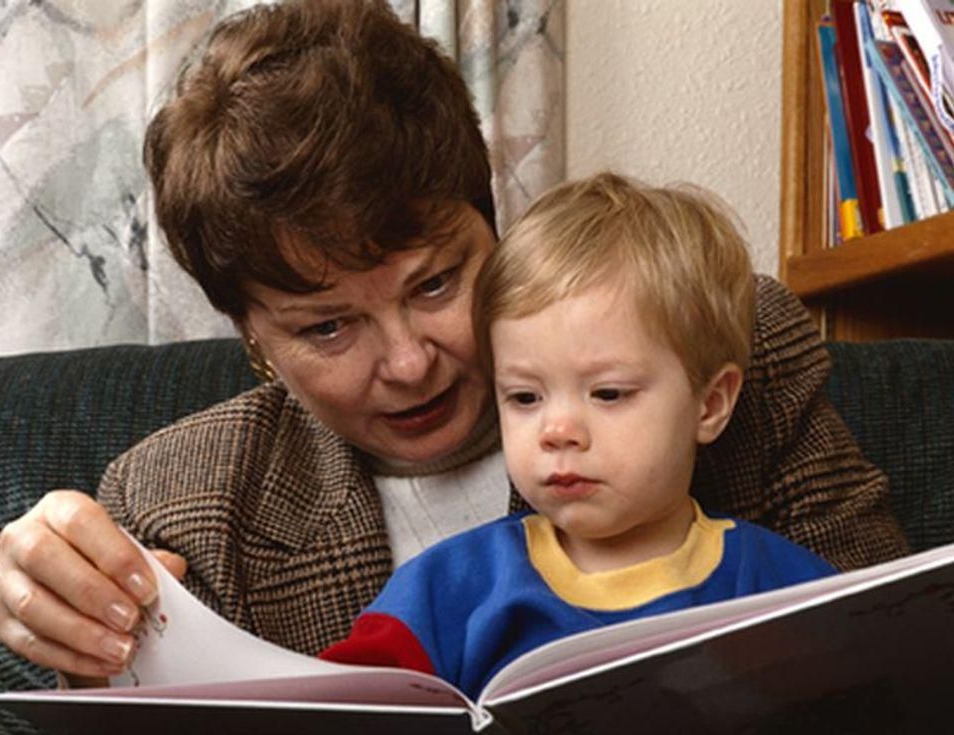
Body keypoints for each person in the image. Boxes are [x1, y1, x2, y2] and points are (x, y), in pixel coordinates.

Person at [0, 0, 906, 686]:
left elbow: (895, 644)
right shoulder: (179, 504)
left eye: (434, 283)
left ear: (492, 225)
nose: (410, 362)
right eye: (327, 326)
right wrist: (84, 645)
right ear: (254, 339)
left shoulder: (720, 336)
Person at [318, 173, 837, 698]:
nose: (557, 431)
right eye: (525, 398)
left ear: (711, 404)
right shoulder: (449, 586)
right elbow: (331, 707)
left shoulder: (782, 583)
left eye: (608, 393)